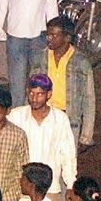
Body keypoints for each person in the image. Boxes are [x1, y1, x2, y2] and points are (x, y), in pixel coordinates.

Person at [8, 75, 77, 201]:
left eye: (40, 94)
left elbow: (68, 154)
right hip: (22, 188)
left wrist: (70, 185)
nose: (34, 99)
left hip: (49, 190)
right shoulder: (16, 116)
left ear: (49, 94)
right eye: (31, 93)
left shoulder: (60, 119)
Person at [31, 17, 95, 150]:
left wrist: (86, 135)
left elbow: (89, 100)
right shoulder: (40, 58)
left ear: (67, 38)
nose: (49, 38)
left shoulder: (81, 62)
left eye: (54, 35)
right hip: (44, 117)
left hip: (69, 120)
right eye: (48, 34)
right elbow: (31, 91)